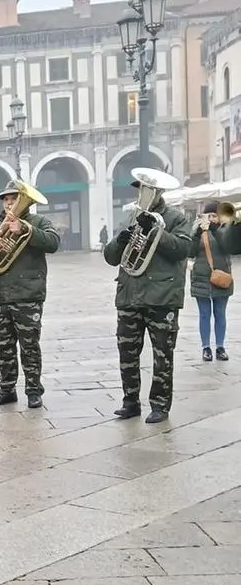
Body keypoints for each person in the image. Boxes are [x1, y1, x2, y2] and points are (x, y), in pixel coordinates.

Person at [103, 176, 192, 423]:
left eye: (148, 189)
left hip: (162, 298)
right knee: (127, 353)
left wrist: (156, 231)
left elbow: (184, 249)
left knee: (162, 354)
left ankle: (160, 405)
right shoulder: (130, 216)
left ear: (158, 192)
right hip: (129, 295)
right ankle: (130, 401)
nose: (143, 194)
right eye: (141, 189)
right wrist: (120, 240)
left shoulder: (175, 217)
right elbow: (111, 257)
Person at [0, 180, 60, 408]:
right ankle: (7, 389)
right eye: (6, 200)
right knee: (4, 348)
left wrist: (27, 230)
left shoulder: (38, 222)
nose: (9, 204)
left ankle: (33, 390)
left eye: (13, 199)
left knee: (29, 346)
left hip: (28, 295)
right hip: (0, 296)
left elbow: (53, 242)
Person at [189, 200, 234, 362]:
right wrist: (196, 233)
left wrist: (216, 231)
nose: (212, 218)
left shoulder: (226, 230)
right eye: (210, 215)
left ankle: (220, 347)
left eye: (216, 215)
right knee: (204, 314)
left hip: (222, 278)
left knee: (220, 314)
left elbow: (231, 247)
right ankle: (206, 347)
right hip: (201, 278)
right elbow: (190, 252)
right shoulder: (199, 231)